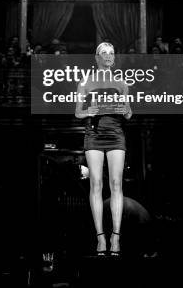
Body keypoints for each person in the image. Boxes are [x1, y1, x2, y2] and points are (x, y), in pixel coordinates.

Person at [75, 42, 132, 256]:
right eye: (104, 53)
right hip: (94, 134)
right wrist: (90, 110)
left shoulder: (121, 82)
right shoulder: (86, 81)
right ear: (97, 57)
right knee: (96, 183)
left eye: (111, 53)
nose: (108, 56)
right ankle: (100, 237)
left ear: (114, 58)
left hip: (116, 133)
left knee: (116, 183)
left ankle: (115, 237)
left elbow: (128, 114)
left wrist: (125, 108)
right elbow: (78, 113)